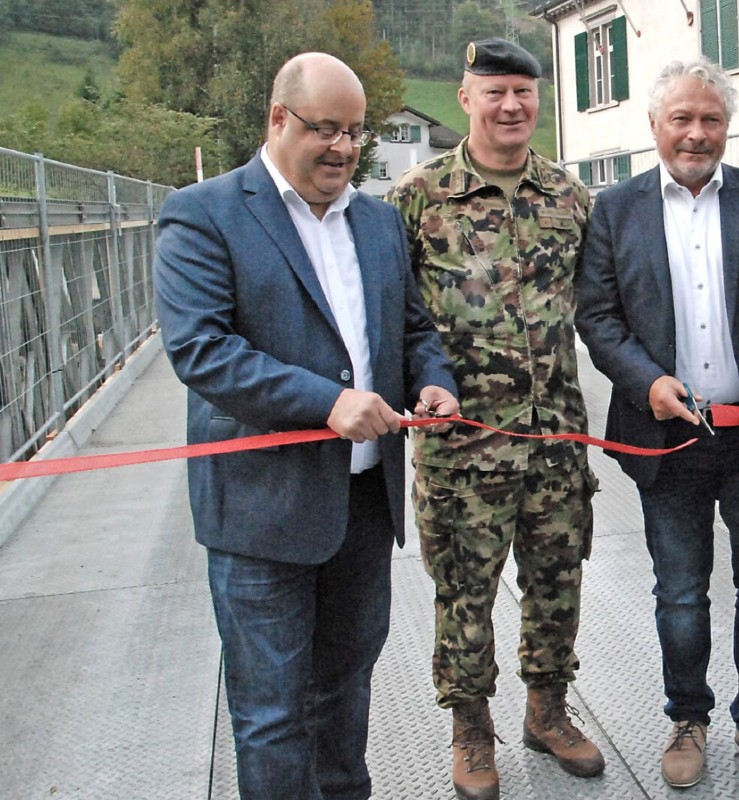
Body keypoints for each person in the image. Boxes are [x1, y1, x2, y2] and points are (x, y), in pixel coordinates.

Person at [153, 53, 459, 800]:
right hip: (262, 516)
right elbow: (203, 350)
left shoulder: (379, 221)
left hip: (359, 508)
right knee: (269, 715)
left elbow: (412, 327)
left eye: (357, 132)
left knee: (346, 693)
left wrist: (432, 380)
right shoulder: (204, 214)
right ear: (278, 120)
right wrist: (327, 401)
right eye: (327, 129)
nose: (346, 149)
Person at [576, 58, 739, 797]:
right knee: (680, 592)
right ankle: (688, 719)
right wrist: (645, 381)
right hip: (667, 437)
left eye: (710, 118)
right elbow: (598, 313)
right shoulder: (615, 209)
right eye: (681, 118)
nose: (696, 132)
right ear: (654, 126)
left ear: (726, 127)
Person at [386, 38, 603, 800]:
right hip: (461, 447)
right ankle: (471, 731)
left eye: (523, 91)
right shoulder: (416, 200)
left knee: (557, 582)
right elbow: (394, 318)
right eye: (495, 92)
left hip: (555, 439)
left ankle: (548, 712)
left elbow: (603, 307)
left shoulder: (571, 199)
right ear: (465, 99)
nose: (512, 106)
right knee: (464, 592)